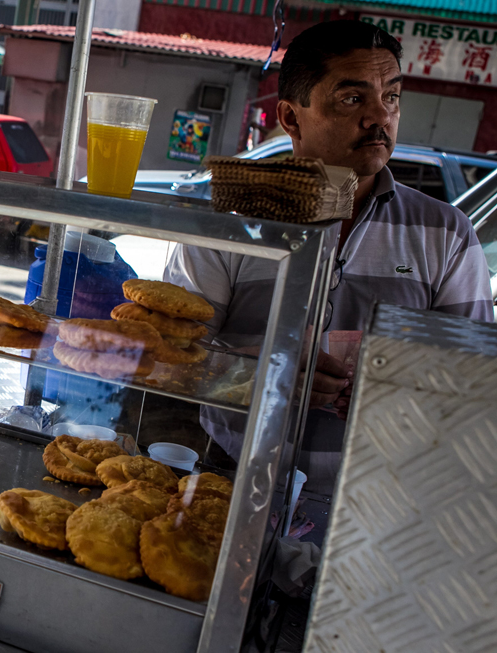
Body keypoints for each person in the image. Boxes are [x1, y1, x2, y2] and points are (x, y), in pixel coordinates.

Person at [165, 20, 493, 494]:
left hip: (382, 494)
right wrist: (260, 374)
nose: (380, 116)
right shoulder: (233, 224)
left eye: (392, 97)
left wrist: (398, 381)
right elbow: (171, 360)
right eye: (353, 98)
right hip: (232, 481)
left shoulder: (444, 233)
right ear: (291, 118)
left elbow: (473, 382)